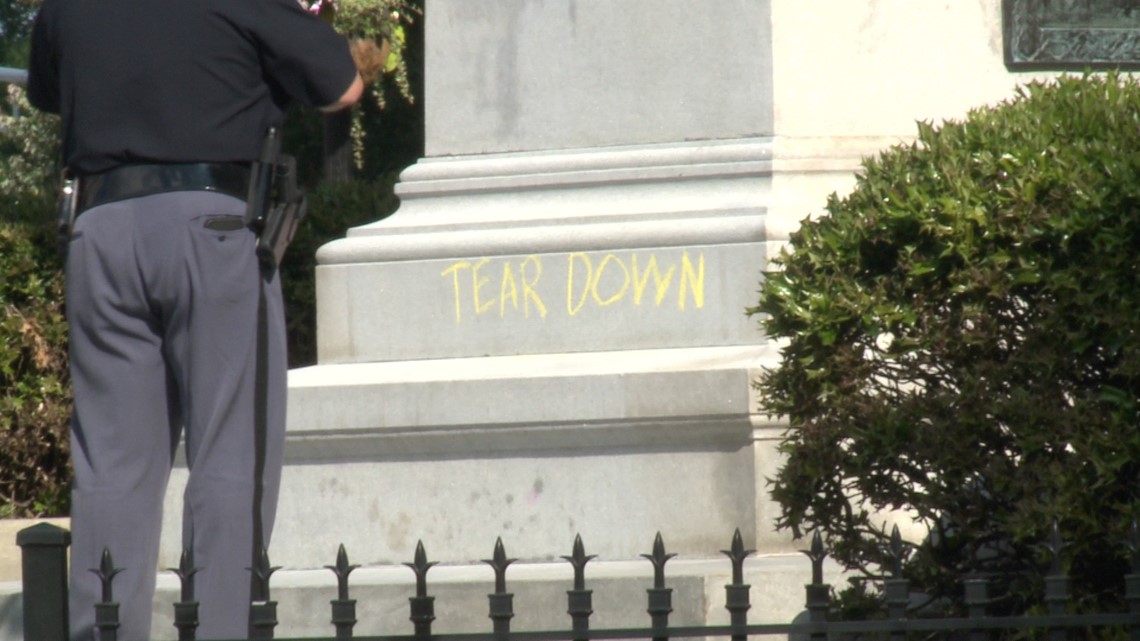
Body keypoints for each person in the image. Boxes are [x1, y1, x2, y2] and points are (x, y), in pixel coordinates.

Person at [26, 0, 363, 637]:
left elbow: (49, 90)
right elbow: (342, 86)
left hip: (100, 231)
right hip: (209, 229)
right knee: (229, 456)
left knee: (111, 470)